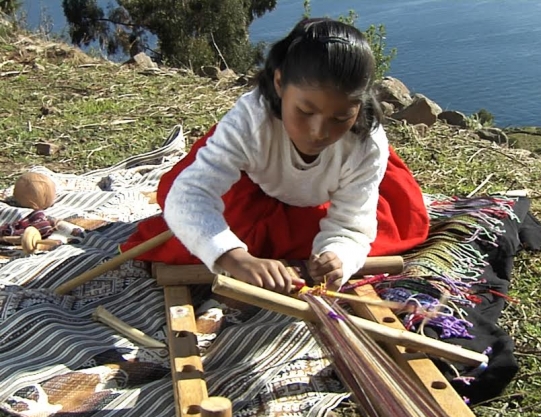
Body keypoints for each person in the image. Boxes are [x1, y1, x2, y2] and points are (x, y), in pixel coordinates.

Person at [121, 18, 430, 294]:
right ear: (280, 84)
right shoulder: (250, 122)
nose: (318, 132)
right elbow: (190, 195)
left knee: (393, 227)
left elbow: (351, 224)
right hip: (254, 184)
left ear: (359, 107)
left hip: (318, 196)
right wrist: (235, 257)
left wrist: (339, 257)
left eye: (340, 117)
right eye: (305, 111)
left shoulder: (365, 144)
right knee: (190, 220)